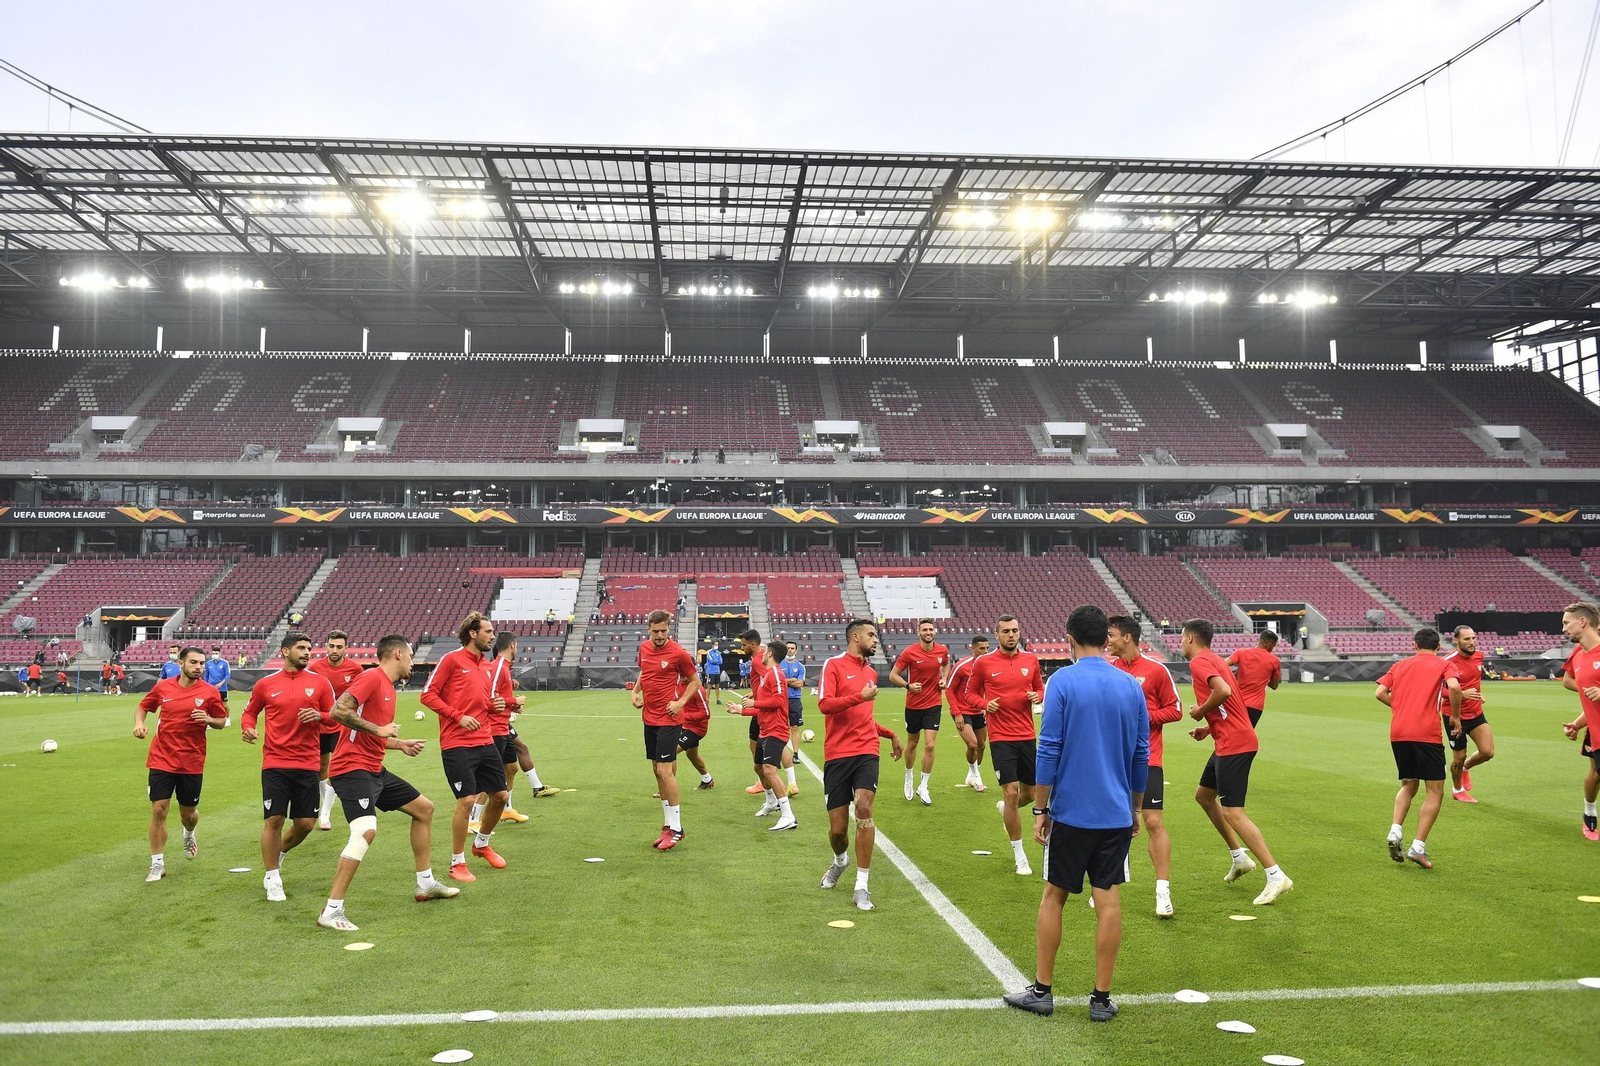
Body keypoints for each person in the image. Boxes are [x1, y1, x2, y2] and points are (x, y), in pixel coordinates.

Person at [1004, 606, 1147, 1022]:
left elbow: (1048, 749)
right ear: (1107, 637)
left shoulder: (1062, 680)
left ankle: (1042, 991)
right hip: (1116, 812)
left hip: (1071, 812)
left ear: (1068, 636)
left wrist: (1041, 808)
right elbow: (1142, 753)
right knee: (1109, 901)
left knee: (1054, 896)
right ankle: (1101, 1000)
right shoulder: (1129, 684)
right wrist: (1135, 807)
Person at [318, 634, 459, 931]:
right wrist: (381, 730)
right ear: (397, 654)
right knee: (365, 831)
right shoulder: (371, 677)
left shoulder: (389, 688)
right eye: (410, 656)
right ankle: (331, 910)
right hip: (350, 769)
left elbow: (373, 735)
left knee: (424, 809)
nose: (412, 662)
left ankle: (425, 884)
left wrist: (398, 744)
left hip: (373, 768)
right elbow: (338, 711)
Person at [1181, 618, 1292, 904]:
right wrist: (1209, 727)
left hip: (1235, 744)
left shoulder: (1200, 663)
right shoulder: (1217, 660)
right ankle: (1239, 856)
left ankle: (1276, 874)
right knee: (1204, 797)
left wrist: (1200, 711)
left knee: (1233, 813)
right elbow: (1235, 703)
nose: (1181, 643)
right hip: (1228, 739)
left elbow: (1224, 693)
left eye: (1182, 638)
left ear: (1190, 638)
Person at [240, 632, 336, 902]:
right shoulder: (266, 684)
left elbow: (336, 716)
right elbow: (249, 712)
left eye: (309, 648)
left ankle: (278, 854)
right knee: (274, 819)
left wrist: (320, 715)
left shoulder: (320, 684)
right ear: (285, 652)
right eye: (301, 648)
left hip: (307, 762)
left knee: (305, 823)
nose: (307, 652)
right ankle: (272, 877)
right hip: (275, 762)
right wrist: (248, 728)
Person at [817, 619, 902, 911]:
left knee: (864, 807)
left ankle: (862, 887)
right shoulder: (833, 665)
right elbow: (825, 704)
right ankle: (840, 861)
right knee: (838, 831)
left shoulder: (870, 671)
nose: (876, 639)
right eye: (871, 634)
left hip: (867, 750)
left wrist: (889, 734)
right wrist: (858, 697)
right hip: (838, 754)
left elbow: (864, 717)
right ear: (855, 637)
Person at [420, 612, 509, 882]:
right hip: (456, 743)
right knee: (467, 800)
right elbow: (427, 695)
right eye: (488, 631)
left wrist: (494, 706)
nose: (493, 636)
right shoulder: (452, 659)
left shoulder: (487, 665)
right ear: (473, 634)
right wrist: (458, 716)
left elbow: (481, 701)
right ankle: (457, 863)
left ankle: (481, 844)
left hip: (485, 739)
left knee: (501, 797)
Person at [1107, 614, 1183, 918]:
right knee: (1112, 823)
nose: (1107, 640)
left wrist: (1143, 718)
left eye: (1111, 635)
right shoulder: (1109, 670)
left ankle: (1162, 891)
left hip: (1147, 758)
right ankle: (1107, 884)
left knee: (1152, 822)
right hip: (1112, 760)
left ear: (1127, 637)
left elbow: (1175, 711)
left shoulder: (1156, 670)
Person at [134, 647, 228, 882]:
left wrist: (208, 719)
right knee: (159, 810)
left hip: (192, 761)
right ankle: (157, 864)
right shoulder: (164, 687)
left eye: (202, 663)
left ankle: (189, 833)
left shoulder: (209, 692)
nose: (199, 667)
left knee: (188, 813)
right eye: (194, 662)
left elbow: (222, 720)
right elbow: (143, 706)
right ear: (180, 663)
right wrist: (139, 724)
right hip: (161, 757)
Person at [965, 615, 1045, 875]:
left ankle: (1005, 810)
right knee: (1010, 792)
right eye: (1006, 631)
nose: (1012, 635)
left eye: (1015, 630)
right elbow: (970, 693)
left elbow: (1040, 689)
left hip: (1026, 735)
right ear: (996, 635)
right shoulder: (984, 663)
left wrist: (1037, 695)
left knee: (1030, 795)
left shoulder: (1030, 660)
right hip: (1000, 737)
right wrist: (983, 704)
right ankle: (1020, 855)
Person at [1375, 628, 1450, 869]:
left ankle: (1395, 831)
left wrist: (1398, 708)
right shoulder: (1443, 664)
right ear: (1439, 647)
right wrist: (1456, 718)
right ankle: (1418, 847)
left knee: (1408, 784)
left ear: (1414, 645)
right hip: (1427, 733)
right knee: (1435, 790)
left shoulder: (1399, 666)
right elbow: (1455, 689)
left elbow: (1379, 692)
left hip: (1399, 733)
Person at [630, 609, 703, 850]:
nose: (660, 635)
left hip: (670, 719)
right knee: (656, 770)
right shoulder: (644, 648)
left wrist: (680, 702)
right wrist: (635, 692)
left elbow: (695, 682)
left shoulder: (678, 653)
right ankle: (668, 825)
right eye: (655, 631)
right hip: (649, 718)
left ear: (669, 629)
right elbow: (645, 672)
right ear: (648, 629)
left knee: (664, 771)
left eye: (663, 631)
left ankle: (678, 828)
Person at [730, 640, 798, 831]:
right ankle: (771, 802)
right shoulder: (768, 675)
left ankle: (788, 816)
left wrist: (755, 704)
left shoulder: (776, 673)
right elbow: (763, 709)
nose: (762, 654)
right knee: (759, 767)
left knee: (769, 770)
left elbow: (777, 701)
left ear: (769, 654)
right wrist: (740, 711)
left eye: (765, 651)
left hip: (776, 730)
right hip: (765, 729)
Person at [890, 618, 951, 806]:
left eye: (931, 629)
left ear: (934, 632)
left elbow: (945, 664)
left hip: (933, 704)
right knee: (913, 742)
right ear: (919, 633)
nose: (928, 632)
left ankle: (923, 785)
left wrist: (944, 678)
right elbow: (893, 675)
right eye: (924, 629)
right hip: (914, 705)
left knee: (930, 745)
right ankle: (909, 776)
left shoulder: (942, 650)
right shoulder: (910, 652)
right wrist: (908, 686)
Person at [308, 630, 364, 831]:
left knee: (335, 766)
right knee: (322, 765)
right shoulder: (315, 668)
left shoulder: (356, 669)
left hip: (342, 726)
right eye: (331, 646)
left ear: (346, 648)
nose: (334, 650)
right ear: (326, 646)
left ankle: (325, 813)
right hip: (320, 724)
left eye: (339, 646)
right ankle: (326, 802)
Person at [476, 632, 530, 827]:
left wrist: (512, 706)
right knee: (491, 776)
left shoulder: (505, 667)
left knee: (511, 768)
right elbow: (489, 697)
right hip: (495, 728)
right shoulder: (498, 665)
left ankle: (506, 810)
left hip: (504, 726)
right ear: (512, 646)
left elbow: (498, 696)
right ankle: (473, 819)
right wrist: (514, 700)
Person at [1558, 601, 1600, 841]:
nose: (1563, 628)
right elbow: (1587, 696)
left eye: (1566, 622)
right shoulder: (1578, 654)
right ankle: (1589, 813)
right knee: (1595, 774)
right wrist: (1577, 724)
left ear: (1582, 622)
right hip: (1595, 731)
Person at [1442, 625, 1494, 802]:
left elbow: (1474, 680)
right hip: (1454, 715)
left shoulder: (1479, 655)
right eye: (1467, 639)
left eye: (1473, 638)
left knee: (1487, 752)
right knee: (1459, 755)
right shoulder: (1447, 662)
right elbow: (1438, 691)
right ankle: (1457, 790)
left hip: (1476, 712)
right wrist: (1461, 694)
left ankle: (1465, 769)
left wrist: (1479, 694)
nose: (1472, 642)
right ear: (1455, 640)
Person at [947, 635, 991, 791]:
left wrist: (985, 705)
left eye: (987, 648)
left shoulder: (988, 665)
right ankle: (976, 776)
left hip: (978, 710)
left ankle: (972, 775)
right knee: (972, 744)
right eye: (981, 648)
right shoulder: (961, 666)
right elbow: (949, 689)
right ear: (972, 648)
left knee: (981, 746)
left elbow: (987, 687)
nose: (985, 651)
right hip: (962, 711)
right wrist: (957, 713)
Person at [1226, 631, 1281, 727]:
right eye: (1273, 646)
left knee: (1231, 734)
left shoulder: (1241, 653)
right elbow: (1274, 685)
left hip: (1236, 703)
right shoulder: (1274, 660)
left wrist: (1235, 674)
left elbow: (1223, 665)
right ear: (1269, 644)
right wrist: (1264, 676)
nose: (1273, 649)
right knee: (1246, 735)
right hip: (1255, 706)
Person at [783, 639, 807, 744]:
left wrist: (785, 681)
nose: (790, 650)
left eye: (792, 648)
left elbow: (800, 684)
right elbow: (777, 681)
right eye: (788, 648)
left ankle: (796, 754)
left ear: (796, 651)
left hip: (795, 700)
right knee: (781, 728)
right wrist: (793, 679)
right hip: (781, 699)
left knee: (795, 727)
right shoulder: (779, 664)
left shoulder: (800, 667)